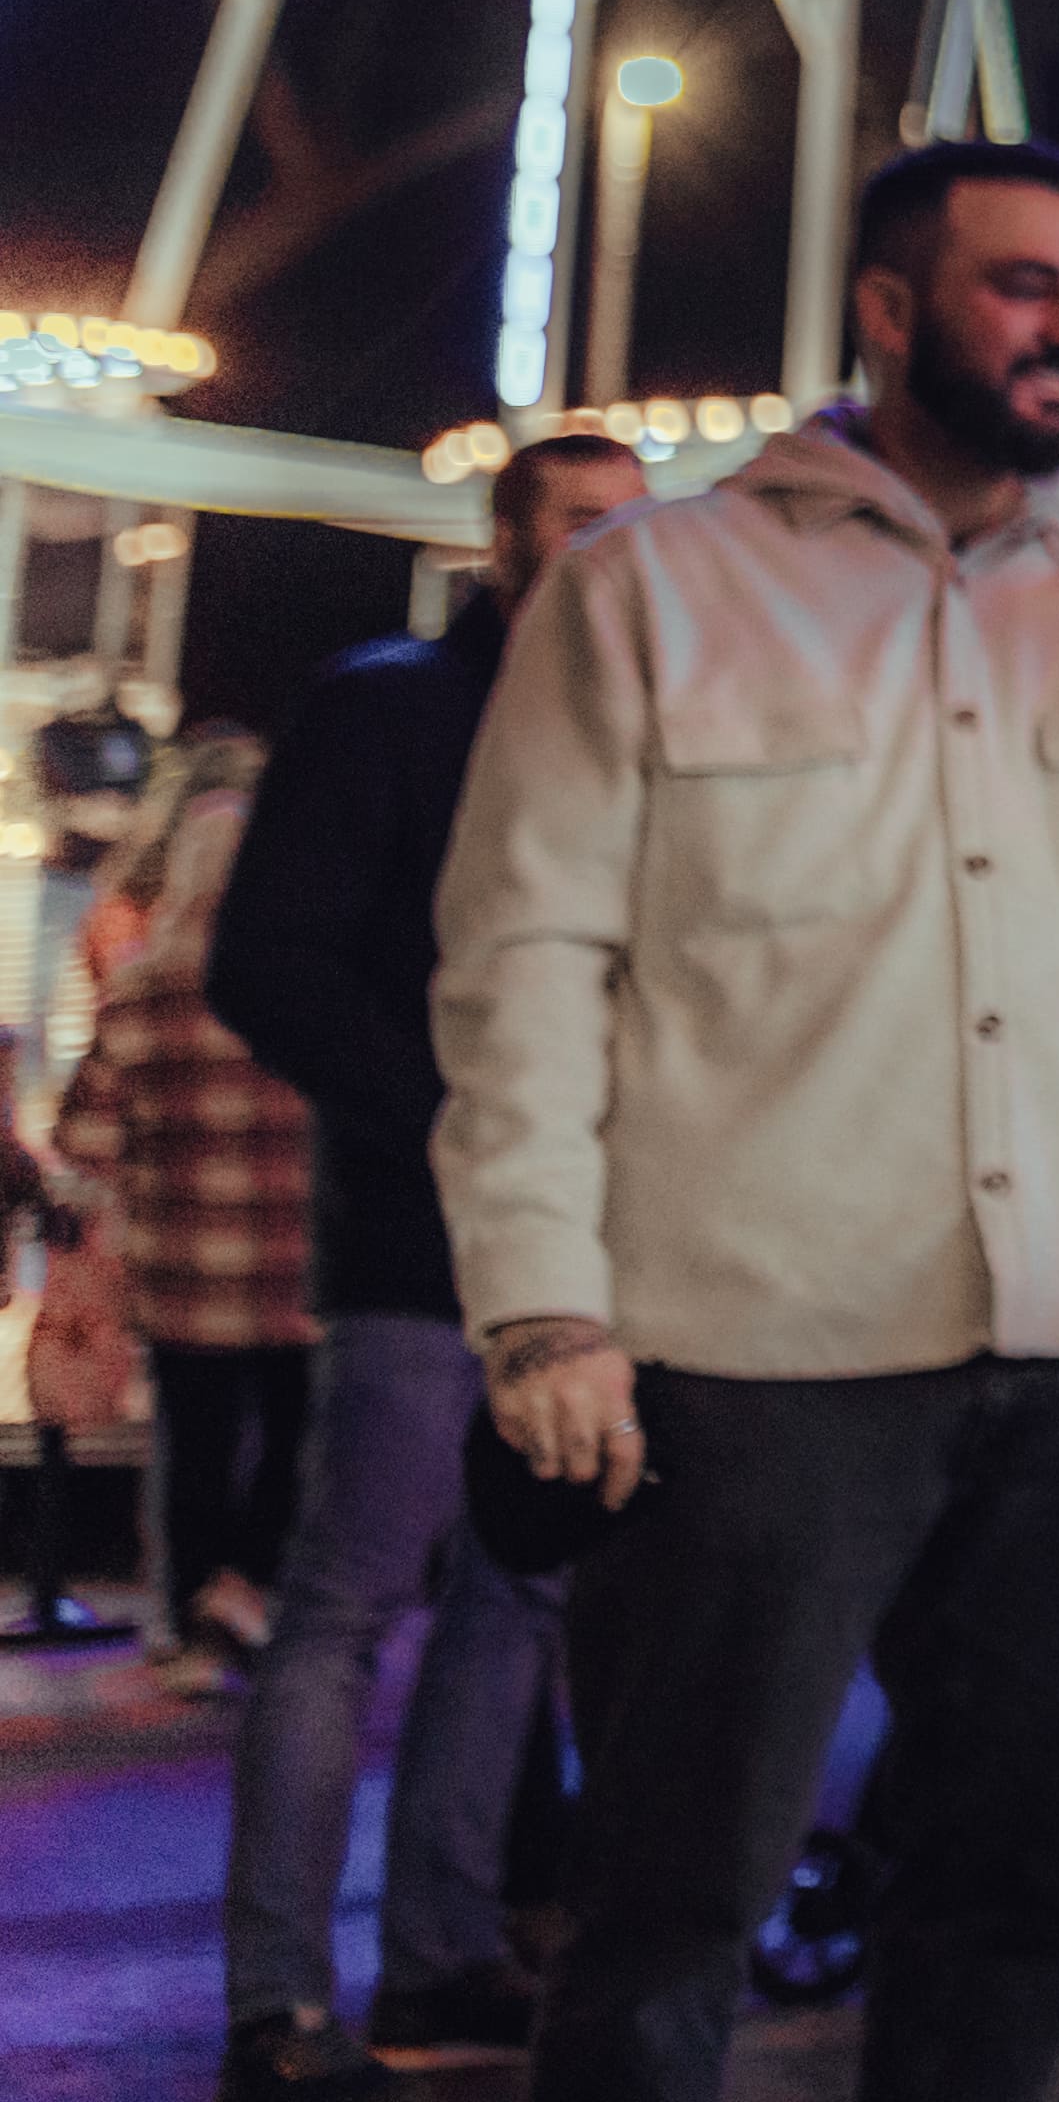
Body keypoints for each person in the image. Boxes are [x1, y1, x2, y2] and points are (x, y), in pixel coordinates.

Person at [438, 138, 1059, 2102]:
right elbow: (522, 960)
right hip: (755, 1354)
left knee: (1012, 1890)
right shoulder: (657, 591)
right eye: (1016, 284)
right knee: (671, 1899)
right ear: (888, 311)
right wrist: (544, 1305)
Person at [205, 427, 647, 2095]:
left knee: (516, 1603)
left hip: (587, 1249)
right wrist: (459, 1117)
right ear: (505, 546)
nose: (620, 561)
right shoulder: (388, 707)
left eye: (637, 532)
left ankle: (446, 1956)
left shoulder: (622, 729)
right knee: (347, 1605)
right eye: (587, 528)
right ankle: (281, 2000)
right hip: (418, 1242)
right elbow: (271, 963)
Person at [56, 729, 322, 1689]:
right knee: (295, 1438)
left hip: (179, 1275)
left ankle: (185, 1629)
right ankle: (247, 1588)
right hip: (295, 1270)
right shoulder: (306, 990)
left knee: (194, 1446)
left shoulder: (139, 992)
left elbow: (87, 1138)